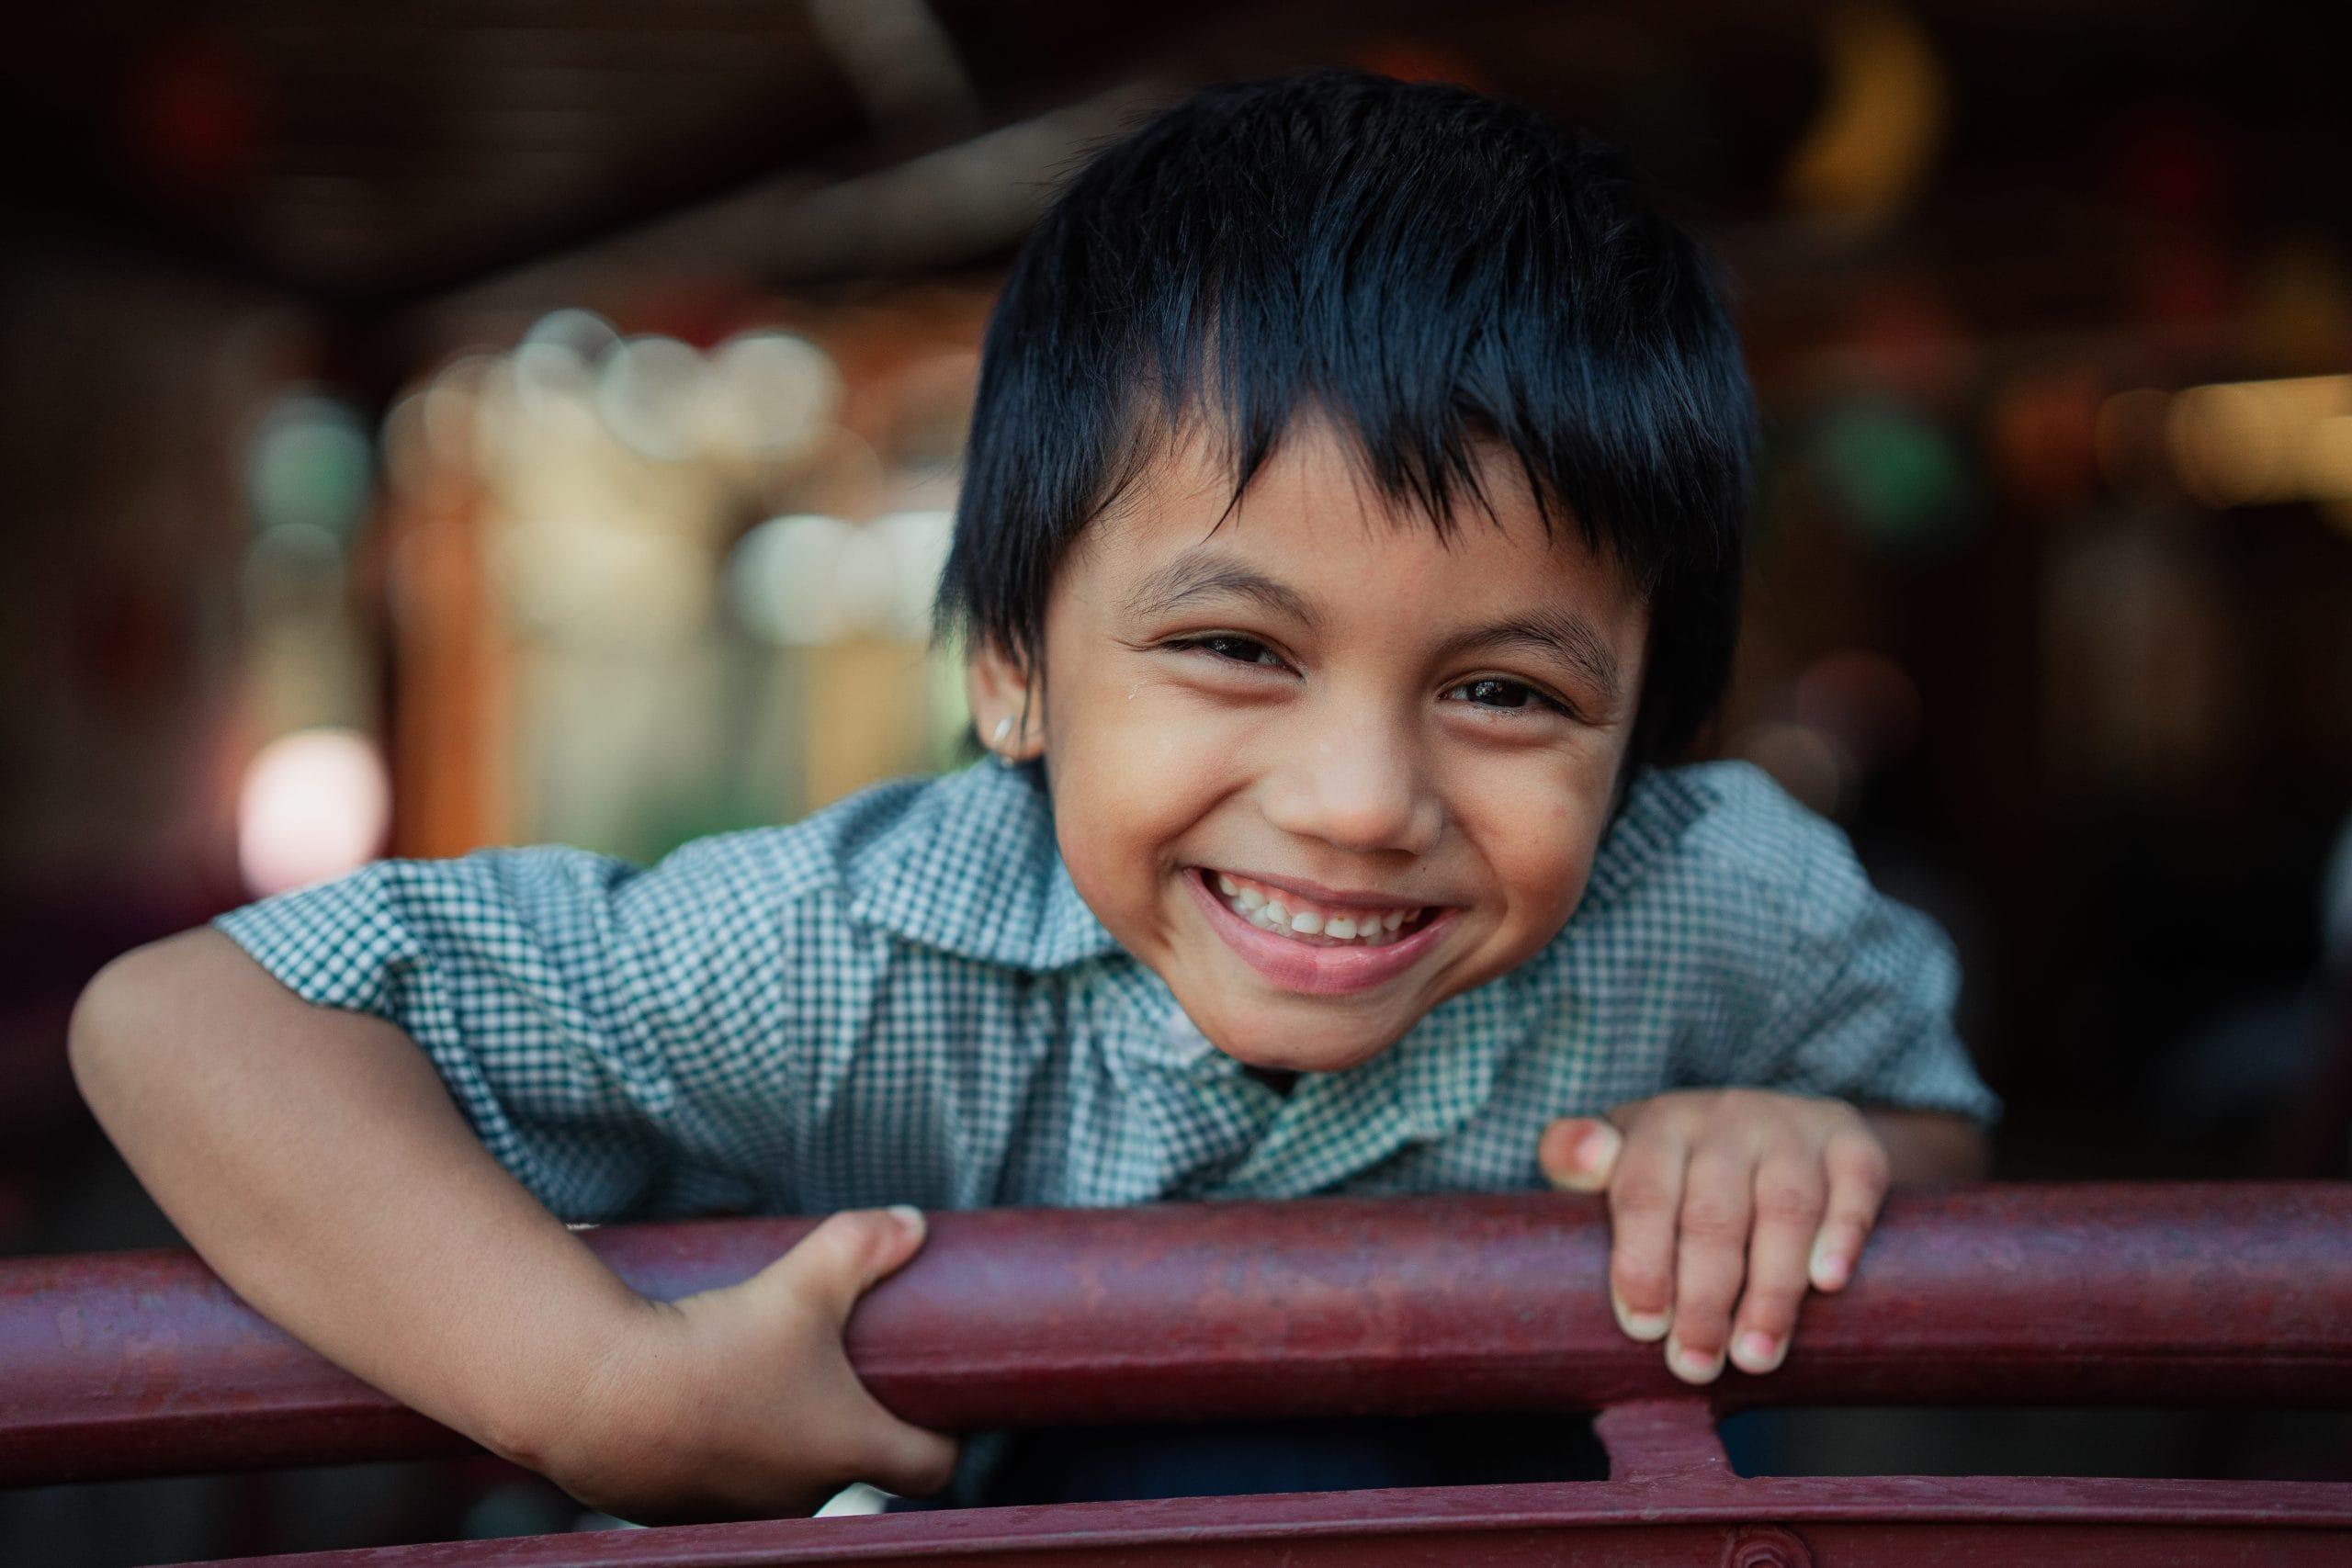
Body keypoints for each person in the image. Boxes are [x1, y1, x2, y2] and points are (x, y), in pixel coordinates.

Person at [68, 70, 1995, 1524]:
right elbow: (182, 1015)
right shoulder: (845, 949)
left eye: (1500, 690)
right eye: (1236, 647)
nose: (1350, 798)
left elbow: (1926, 1115)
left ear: (1645, 729)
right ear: (1007, 666)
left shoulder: (1717, 894)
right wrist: (589, 1381)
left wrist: (1800, 1139)